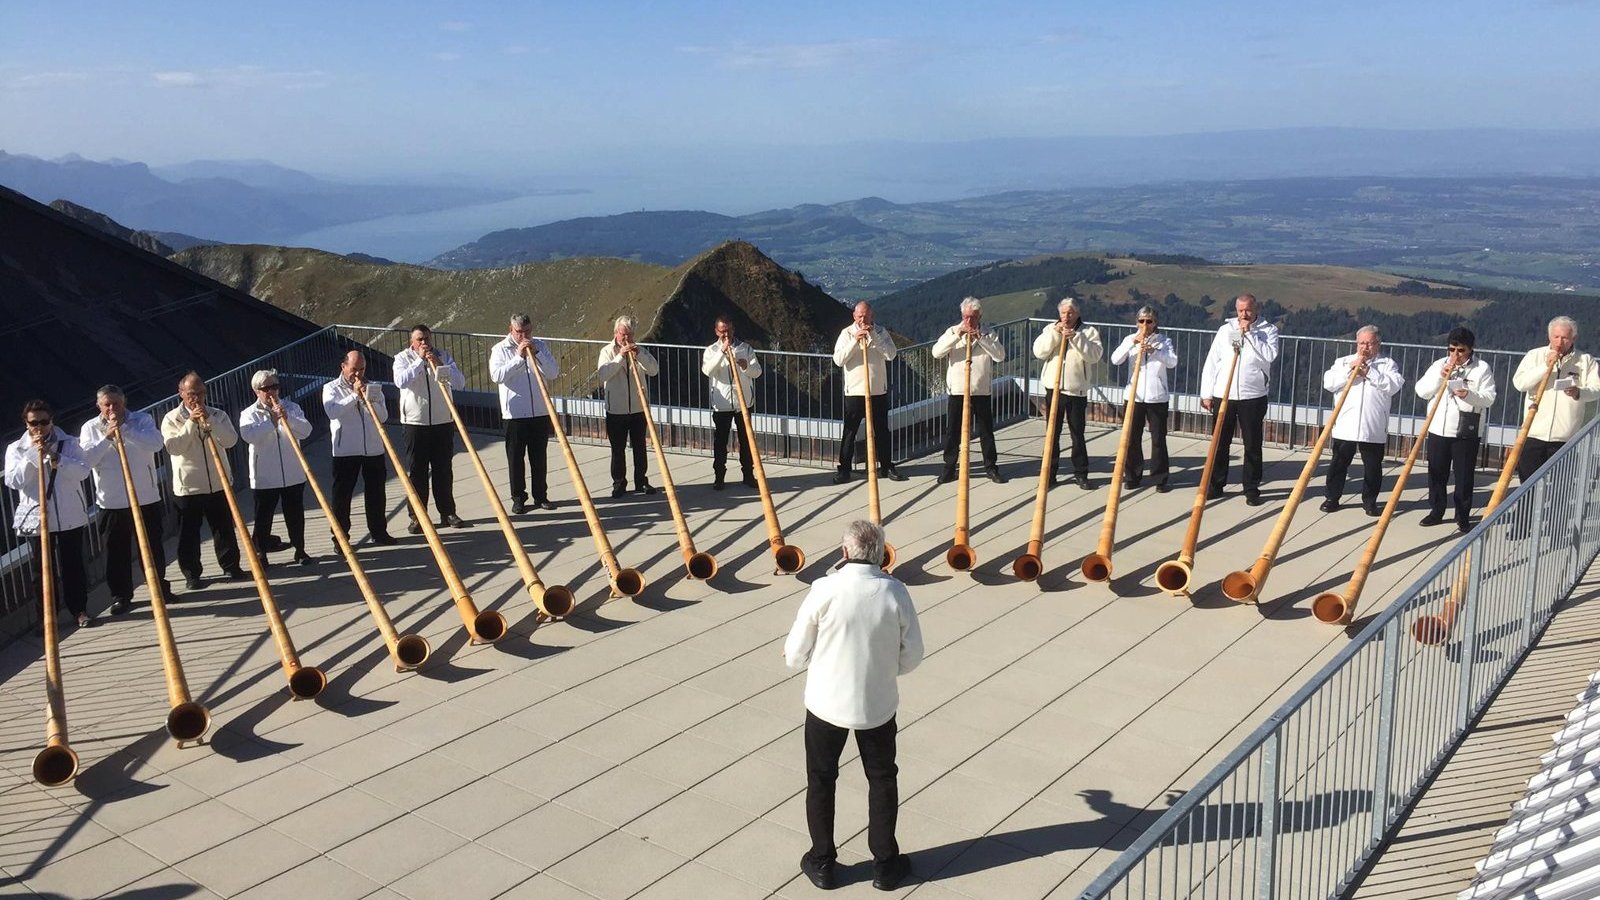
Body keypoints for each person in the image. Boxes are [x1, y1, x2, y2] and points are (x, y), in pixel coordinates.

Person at [784, 520, 923, 892]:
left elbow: (794, 655)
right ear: (881, 554)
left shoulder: (824, 589)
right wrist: (883, 671)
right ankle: (884, 864)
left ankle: (823, 862)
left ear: (845, 553)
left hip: (825, 705)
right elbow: (913, 656)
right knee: (881, 780)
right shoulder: (896, 593)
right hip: (876, 706)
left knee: (821, 779)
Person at [77, 384, 171, 613]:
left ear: (124, 402)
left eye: (115, 403)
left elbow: (156, 444)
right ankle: (121, 596)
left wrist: (126, 429)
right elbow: (86, 461)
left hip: (145, 497)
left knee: (152, 547)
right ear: (98, 405)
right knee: (116, 552)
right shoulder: (89, 428)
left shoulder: (141, 420)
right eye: (106, 404)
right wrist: (106, 438)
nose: (111, 408)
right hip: (111, 501)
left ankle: (159, 589)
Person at [5, 401, 94, 629]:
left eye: (44, 422)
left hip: (69, 515)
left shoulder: (70, 443)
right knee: (42, 571)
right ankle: (47, 617)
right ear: (26, 424)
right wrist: (34, 458)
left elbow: (83, 472)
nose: (39, 428)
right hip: (38, 518)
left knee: (73, 565)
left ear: (52, 421)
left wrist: (57, 459)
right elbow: (14, 481)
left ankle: (79, 610)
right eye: (34, 423)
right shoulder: (16, 449)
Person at [161, 372, 246, 590]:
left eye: (200, 393)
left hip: (218, 482)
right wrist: (191, 423)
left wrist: (211, 422)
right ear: (181, 394)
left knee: (224, 528)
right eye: (191, 394)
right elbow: (174, 447)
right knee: (188, 534)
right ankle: (192, 574)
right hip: (188, 486)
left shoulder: (218, 414)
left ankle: (231, 566)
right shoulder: (171, 418)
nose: (196, 399)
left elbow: (230, 440)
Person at [1199, 294, 1281, 505]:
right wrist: (1206, 393)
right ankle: (1217, 484)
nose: (1244, 315)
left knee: (1252, 444)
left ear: (1256, 309)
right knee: (1220, 441)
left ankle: (1251, 488)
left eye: (1248, 310)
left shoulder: (1268, 330)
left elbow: (1270, 355)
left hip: (1252, 395)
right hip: (1224, 393)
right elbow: (1213, 361)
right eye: (1240, 310)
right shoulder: (1226, 330)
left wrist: (1251, 335)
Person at [1416, 327, 1497, 533]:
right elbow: (1422, 391)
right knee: (1436, 473)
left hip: (1465, 431)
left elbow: (1489, 398)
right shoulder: (1438, 365)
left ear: (1470, 350)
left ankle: (1462, 516)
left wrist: (1468, 394)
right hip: (1438, 428)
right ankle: (1436, 510)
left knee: (1463, 476)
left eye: (1460, 350)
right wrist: (1440, 378)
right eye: (1451, 349)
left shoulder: (1482, 368)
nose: (1455, 355)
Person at [1320, 326, 1404, 516]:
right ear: (1356, 344)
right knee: (1339, 463)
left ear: (1378, 344)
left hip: (1372, 424)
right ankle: (1332, 497)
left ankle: (1370, 501)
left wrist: (1370, 373)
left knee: (1373, 467)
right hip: (1346, 423)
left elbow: (1394, 386)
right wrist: (1350, 371)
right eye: (1362, 343)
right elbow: (1329, 383)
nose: (1365, 347)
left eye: (1370, 343)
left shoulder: (1387, 364)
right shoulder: (1344, 361)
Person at [393, 324, 468, 531]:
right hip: (415, 423)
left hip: (442, 421)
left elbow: (460, 382)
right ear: (412, 342)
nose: (424, 343)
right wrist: (419, 361)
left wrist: (440, 364)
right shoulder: (402, 359)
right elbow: (400, 381)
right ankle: (417, 516)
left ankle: (448, 512)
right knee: (417, 471)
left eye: (427, 338)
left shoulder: (443, 355)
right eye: (420, 339)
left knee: (443, 469)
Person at [238, 369, 315, 565]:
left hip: (292, 473)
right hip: (265, 476)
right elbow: (250, 436)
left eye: (275, 387)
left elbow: (306, 430)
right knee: (264, 516)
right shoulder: (249, 413)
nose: (272, 392)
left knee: (295, 514)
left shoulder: (291, 407)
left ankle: (300, 549)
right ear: (257, 391)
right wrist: (272, 421)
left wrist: (288, 418)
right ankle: (261, 553)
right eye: (267, 388)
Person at [1510, 315, 1600, 481]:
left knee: (1561, 486)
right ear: (1549, 337)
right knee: (1528, 484)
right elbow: (1520, 383)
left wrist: (1579, 392)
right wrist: (1545, 366)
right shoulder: (1534, 355)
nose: (1559, 342)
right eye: (1555, 337)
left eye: (1565, 338)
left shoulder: (1586, 361)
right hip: (1533, 432)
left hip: (1565, 437)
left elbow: (1596, 390)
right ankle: (1528, 508)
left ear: (1574, 338)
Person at [322, 351, 396, 545]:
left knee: (376, 493)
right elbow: (333, 411)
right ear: (343, 366)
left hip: (372, 448)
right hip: (346, 450)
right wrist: (354, 396)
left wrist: (366, 399)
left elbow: (383, 416)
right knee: (342, 496)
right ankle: (340, 538)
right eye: (354, 369)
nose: (358, 374)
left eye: (362, 369)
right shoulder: (331, 388)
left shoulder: (373, 387)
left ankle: (379, 532)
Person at [933, 297, 1008, 484]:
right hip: (958, 391)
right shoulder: (952, 331)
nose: (969, 321)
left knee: (986, 431)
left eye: (973, 317)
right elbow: (937, 352)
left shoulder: (989, 333)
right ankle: (949, 469)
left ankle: (991, 467)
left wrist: (980, 338)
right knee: (953, 432)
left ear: (979, 316)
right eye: (966, 317)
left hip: (981, 390)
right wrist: (957, 335)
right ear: (962, 315)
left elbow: (1000, 356)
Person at [490, 314, 560, 512]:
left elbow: (553, 373)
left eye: (527, 331)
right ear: (511, 329)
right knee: (516, 458)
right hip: (515, 414)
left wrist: (537, 354)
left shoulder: (540, 345)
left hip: (539, 410)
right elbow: (497, 376)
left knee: (539, 457)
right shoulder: (500, 349)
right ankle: (518, 498)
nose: (523, 336)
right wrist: (518, 358)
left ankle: (541, 495)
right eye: (519, 332)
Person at [1032, 297, 1104, 489]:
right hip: (1053, 389)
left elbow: (1095, 356)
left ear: (1077, 314)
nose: (1067, 316)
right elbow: (1039, 352)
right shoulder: (1050, 329)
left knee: (1077, 435)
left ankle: (1081, 474)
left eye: (1070, 313)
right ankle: (1049, 474)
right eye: (1063, 313)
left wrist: (1076, 338)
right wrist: (1056, 335)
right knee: (1052, 434)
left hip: (1076, 391)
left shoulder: (1088, 332)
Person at [832, 301, 907, 485]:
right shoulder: (846, 334)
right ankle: (844, 469)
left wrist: (873, 336)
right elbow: (838, 360)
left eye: (866, 316)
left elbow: (891, 354)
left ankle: (887, 466)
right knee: (850, 431)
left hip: (877, 391)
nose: (863, 319)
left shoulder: (880, 332)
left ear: (872, 316)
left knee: (881, 430)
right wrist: (854, 342)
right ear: (854, 316)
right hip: (855, 391)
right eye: (859, 316)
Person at [1108, 307, 1178, 492]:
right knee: (1131, 439)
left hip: (1157, 398)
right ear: (1136, 322)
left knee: (1158, 439)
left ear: (1155, 323)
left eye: (1149, 321)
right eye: (1141, 321)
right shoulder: (1129, 340)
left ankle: (1160, 478)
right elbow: (1115, 359)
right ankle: (1132, 476)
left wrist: (1155, 351)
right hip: (1134, 396)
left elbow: (1172, 362)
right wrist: (1132, 342)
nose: (1145, 325)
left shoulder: (1164, 341)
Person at [596, 315, 659, 498]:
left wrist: (639, 355)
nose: (627, 339)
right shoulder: (607, 351)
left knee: (640, 447)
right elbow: (603, 374)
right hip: (616, 408)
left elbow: (654, 370)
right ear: (616, 333)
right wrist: (620, 357)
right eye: (624, 334)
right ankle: (619, 483)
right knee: (618, 448)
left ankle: (641, 481)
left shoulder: (641, 350)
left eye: (630, 335)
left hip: (639, 407)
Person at [701, 316, 763, 490]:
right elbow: (708, 371)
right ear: (716, 331)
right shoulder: (711, 350)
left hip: (743, 402)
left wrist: (746, 367)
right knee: (720, 442)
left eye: (728, 330)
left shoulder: (746, 348)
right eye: (722, 331)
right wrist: (722, 352)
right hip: (722, 405)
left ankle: (748, 475)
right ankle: (719, 477)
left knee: (746, 440)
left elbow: (757, 372)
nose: (726, 334)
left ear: (733, 329)